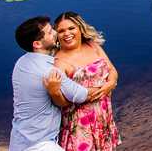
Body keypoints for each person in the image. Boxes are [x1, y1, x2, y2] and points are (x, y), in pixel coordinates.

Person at [11, 16, 90, 151]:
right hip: (39, 145)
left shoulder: (21, 63)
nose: (55, 33)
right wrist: (108, 86)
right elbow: (80, 95)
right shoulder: (49, 71)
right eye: (49, 33)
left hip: (19, 140)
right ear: (37, 44)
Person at [51, 12, 120, 151]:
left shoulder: (93, 46)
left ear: (80, 29)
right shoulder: (58, 62)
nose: (67, 34)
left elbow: (112, 70)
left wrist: (111, 83)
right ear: (56, 35)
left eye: (71, 28)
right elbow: (62, 101)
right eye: (61, 31)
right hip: (79, 123)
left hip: (103, 115)